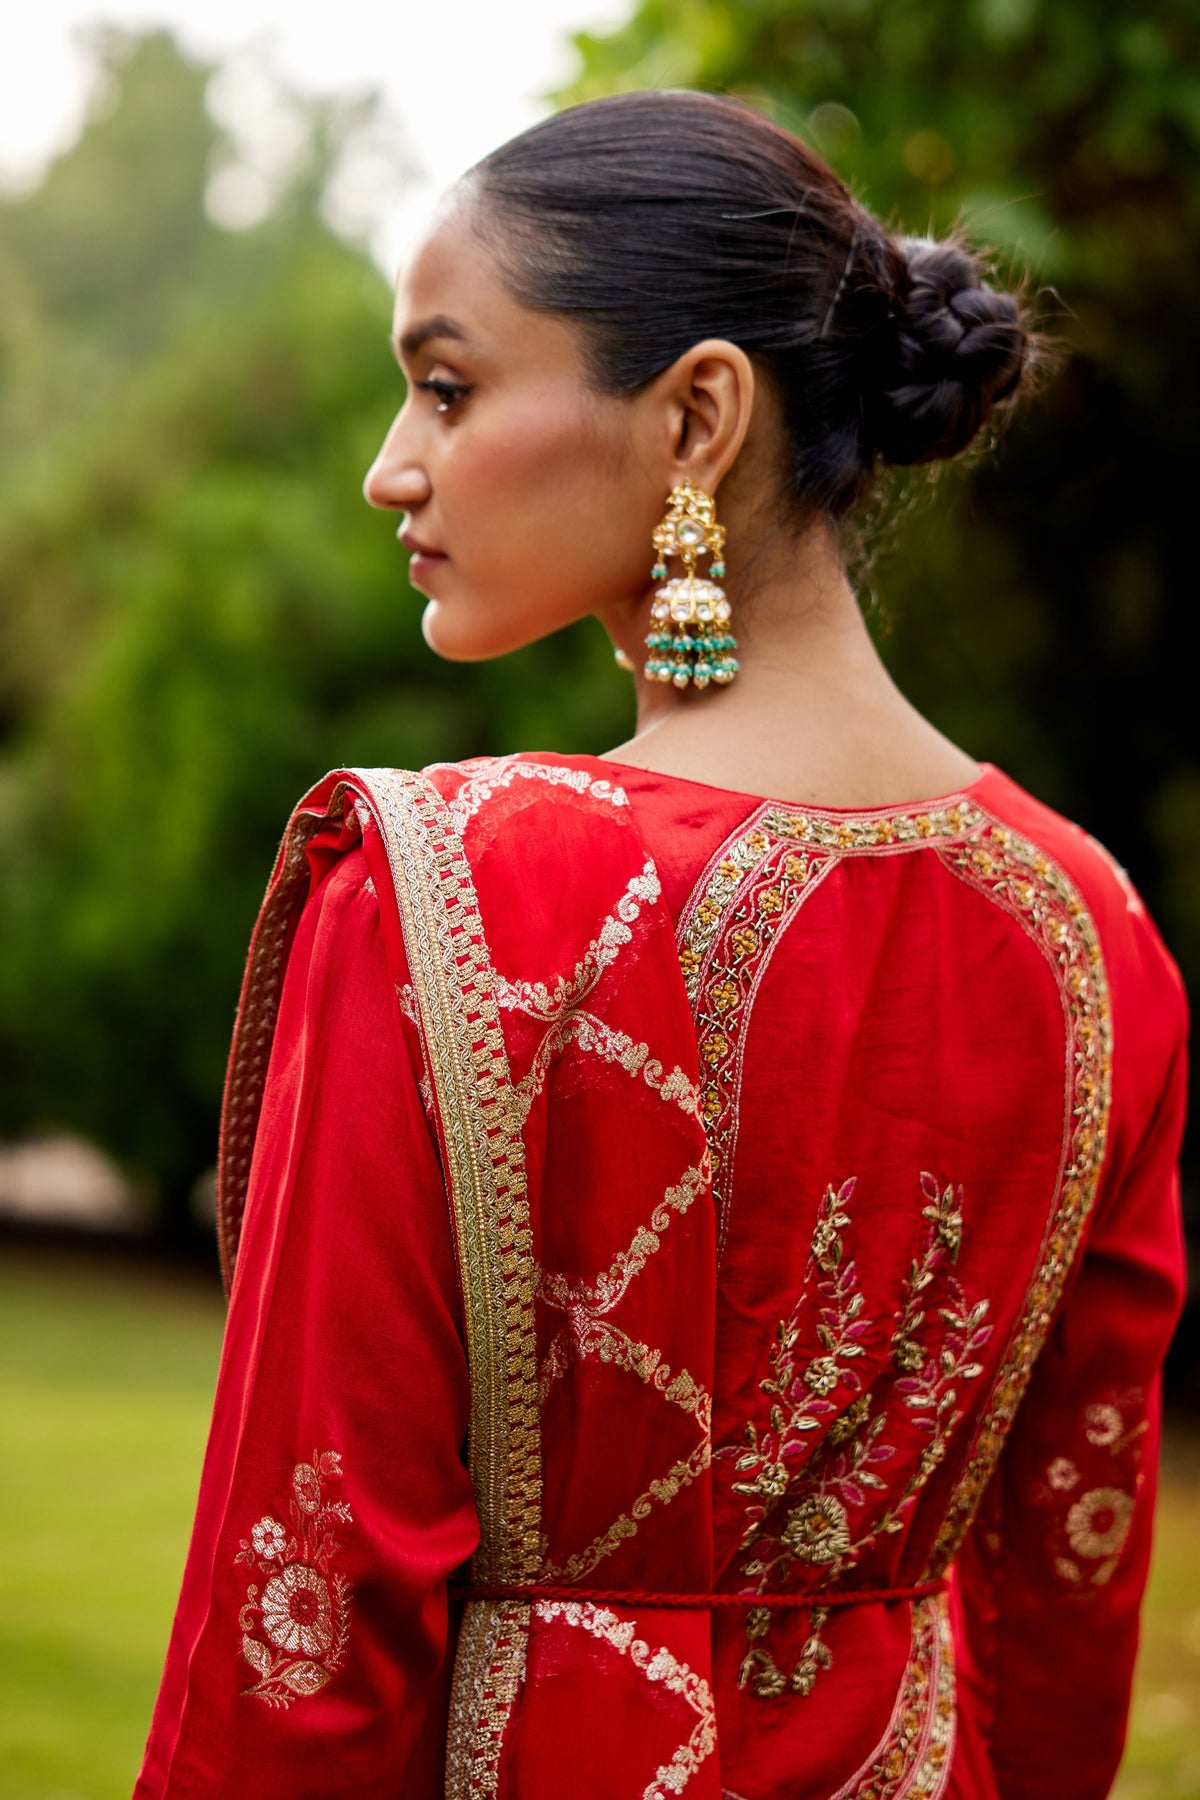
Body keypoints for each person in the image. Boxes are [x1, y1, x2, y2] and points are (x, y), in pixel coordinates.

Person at [134, 90, 1187, 1800]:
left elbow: (308, 1609)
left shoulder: (446, 895)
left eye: (451, 385)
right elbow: (1070, 1587)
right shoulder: (1095, 934)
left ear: (699, 414)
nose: (389, 465)